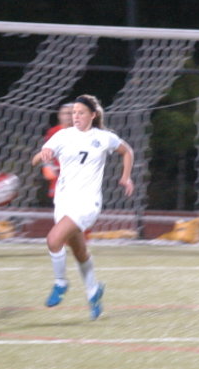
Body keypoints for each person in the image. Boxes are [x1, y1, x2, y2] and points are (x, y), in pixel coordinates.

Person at [33, 94, 134, 320]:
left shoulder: (103, 137)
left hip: (88, 203)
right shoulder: (63, 135)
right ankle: (93, 291)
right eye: (74, 113)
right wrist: (43, 155)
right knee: (79, 251)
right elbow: (35, 160)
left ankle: (61, 283)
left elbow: (127, 151)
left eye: (81, 113)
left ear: (93, 115)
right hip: (63, 202)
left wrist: (126, 177)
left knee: (53, 240)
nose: (75, 116)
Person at [32, 103, 74, 199]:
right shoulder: (54, 132)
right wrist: (49, 166)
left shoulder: (83, 133)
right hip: (58, 176)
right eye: (65, 113)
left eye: (71, 113)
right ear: (59, 116)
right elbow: (47, 153)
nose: (68, 117)